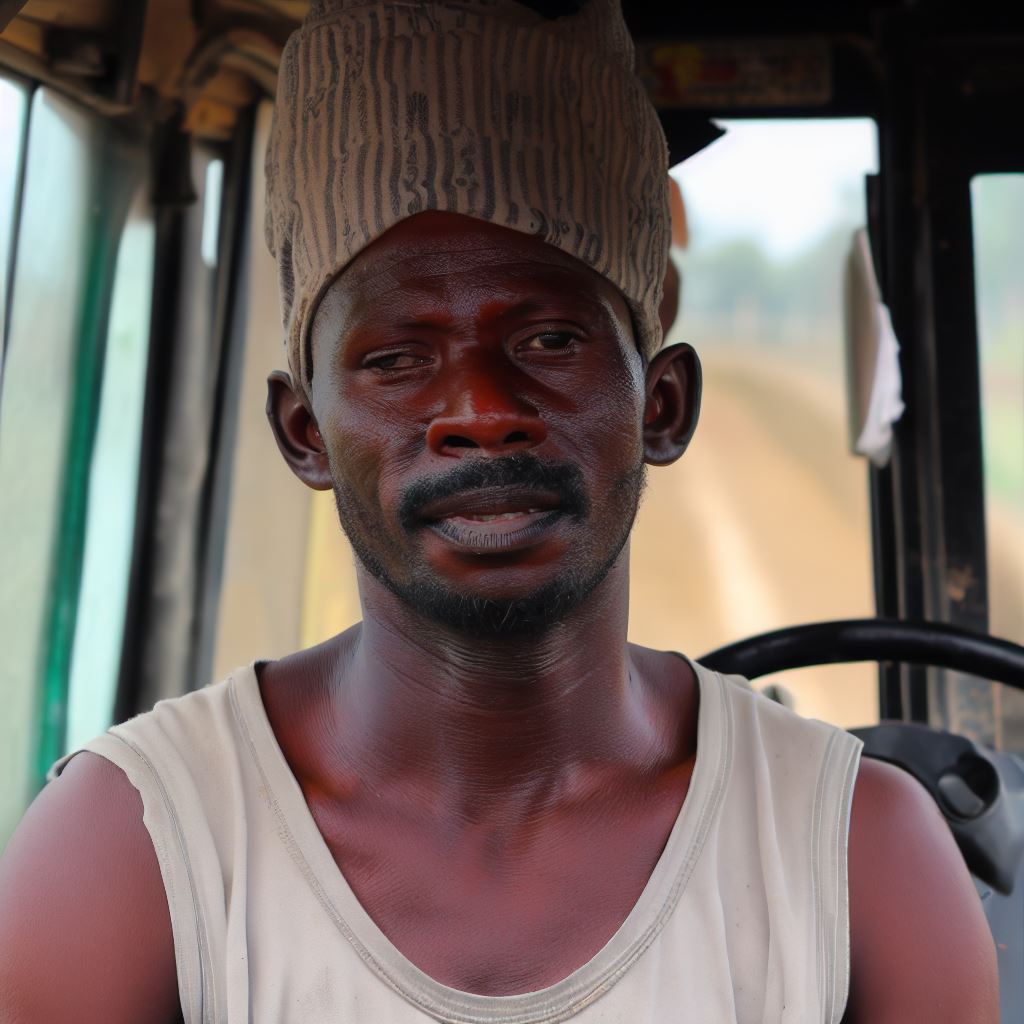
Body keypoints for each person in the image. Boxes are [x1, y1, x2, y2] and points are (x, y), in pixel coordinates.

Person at [0, 1, 998, 1021]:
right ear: (304, 433)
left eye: (549, 341)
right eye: (396, 359)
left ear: (662, 404)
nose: (481, 411)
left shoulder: (859, 854)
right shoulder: (133, 850)